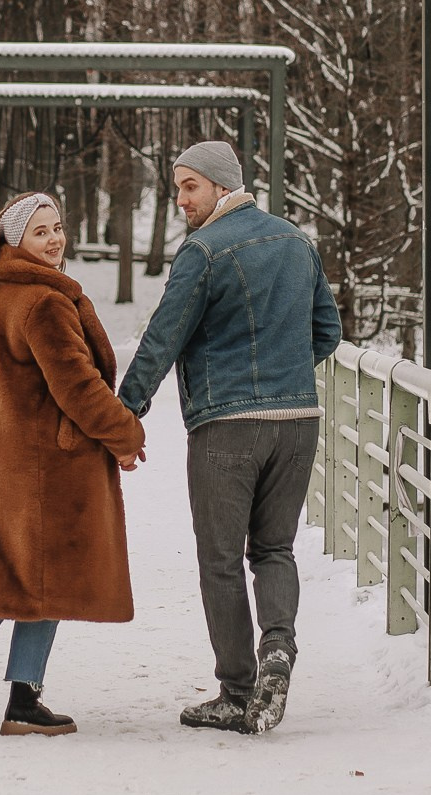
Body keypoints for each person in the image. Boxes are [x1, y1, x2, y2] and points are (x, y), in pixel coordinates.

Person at [118, 141, 341, 737]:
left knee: (220, 561)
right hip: (298, 421)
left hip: (226, 426)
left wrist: (123, 414)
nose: (181, 200)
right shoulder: (296, 241)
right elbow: (328, 331)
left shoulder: (204, 251)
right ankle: (278, 650)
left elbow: (162, 339)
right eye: (177, 188)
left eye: (190, 186)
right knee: (274, 549)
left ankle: (238, 692)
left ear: (222, 185)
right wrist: (284, 373)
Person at [0, 191, 146, 737]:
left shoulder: (1, 294)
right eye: (40, 231)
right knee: (49, 576)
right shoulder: (45, 302)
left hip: (1, 458)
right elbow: (78, 387)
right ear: (17, 241)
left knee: (5, 567)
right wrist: (125, 434)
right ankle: (24, 701)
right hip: (49, 466)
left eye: (57, 227)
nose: (55, 239)